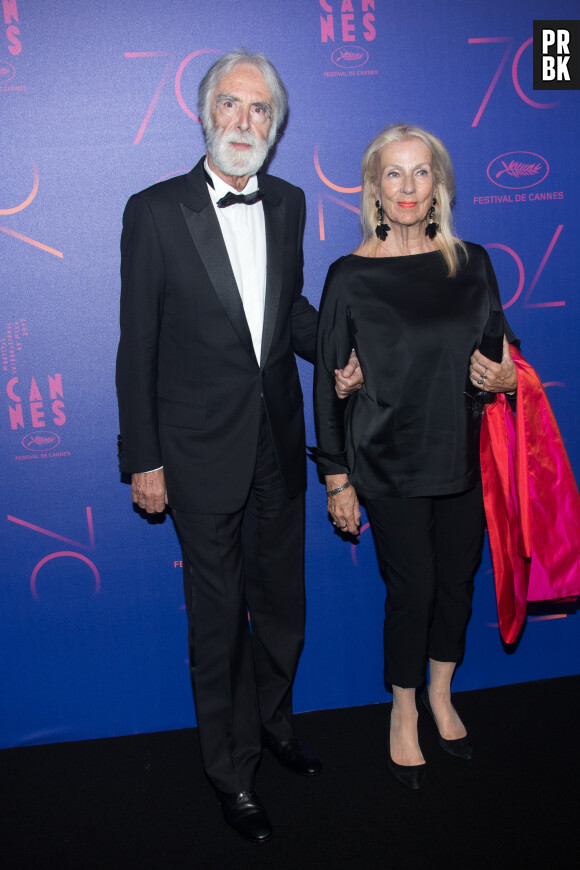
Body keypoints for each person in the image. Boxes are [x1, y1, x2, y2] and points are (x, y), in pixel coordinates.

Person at [116, 49, 362, 841]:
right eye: (232, 105)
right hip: (193, 453)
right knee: (217, 620)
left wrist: (336, 349)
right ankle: (230, 772)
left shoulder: (287, 203)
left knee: (282, 606)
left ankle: (274, 727)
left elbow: (283, 312)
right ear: (204, 111)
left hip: (277, 443)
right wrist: (143, 458)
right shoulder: (154, 210)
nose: (244, 123)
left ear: (277, 127)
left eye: (261, 111)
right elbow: (137, 346)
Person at [313, 123, 518, 790]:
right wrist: (337, 478)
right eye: (393, 174)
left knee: (459, 581)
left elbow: (502, 351)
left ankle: (440, 691)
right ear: (373, 187)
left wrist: (509, 378)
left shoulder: (473, 262)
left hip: (465, 453)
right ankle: (402, 709)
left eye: (420, 173)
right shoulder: (349, 276)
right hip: (389, 460)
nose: (408, 187)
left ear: (439, 186)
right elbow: (328, 384)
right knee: (415, 588)